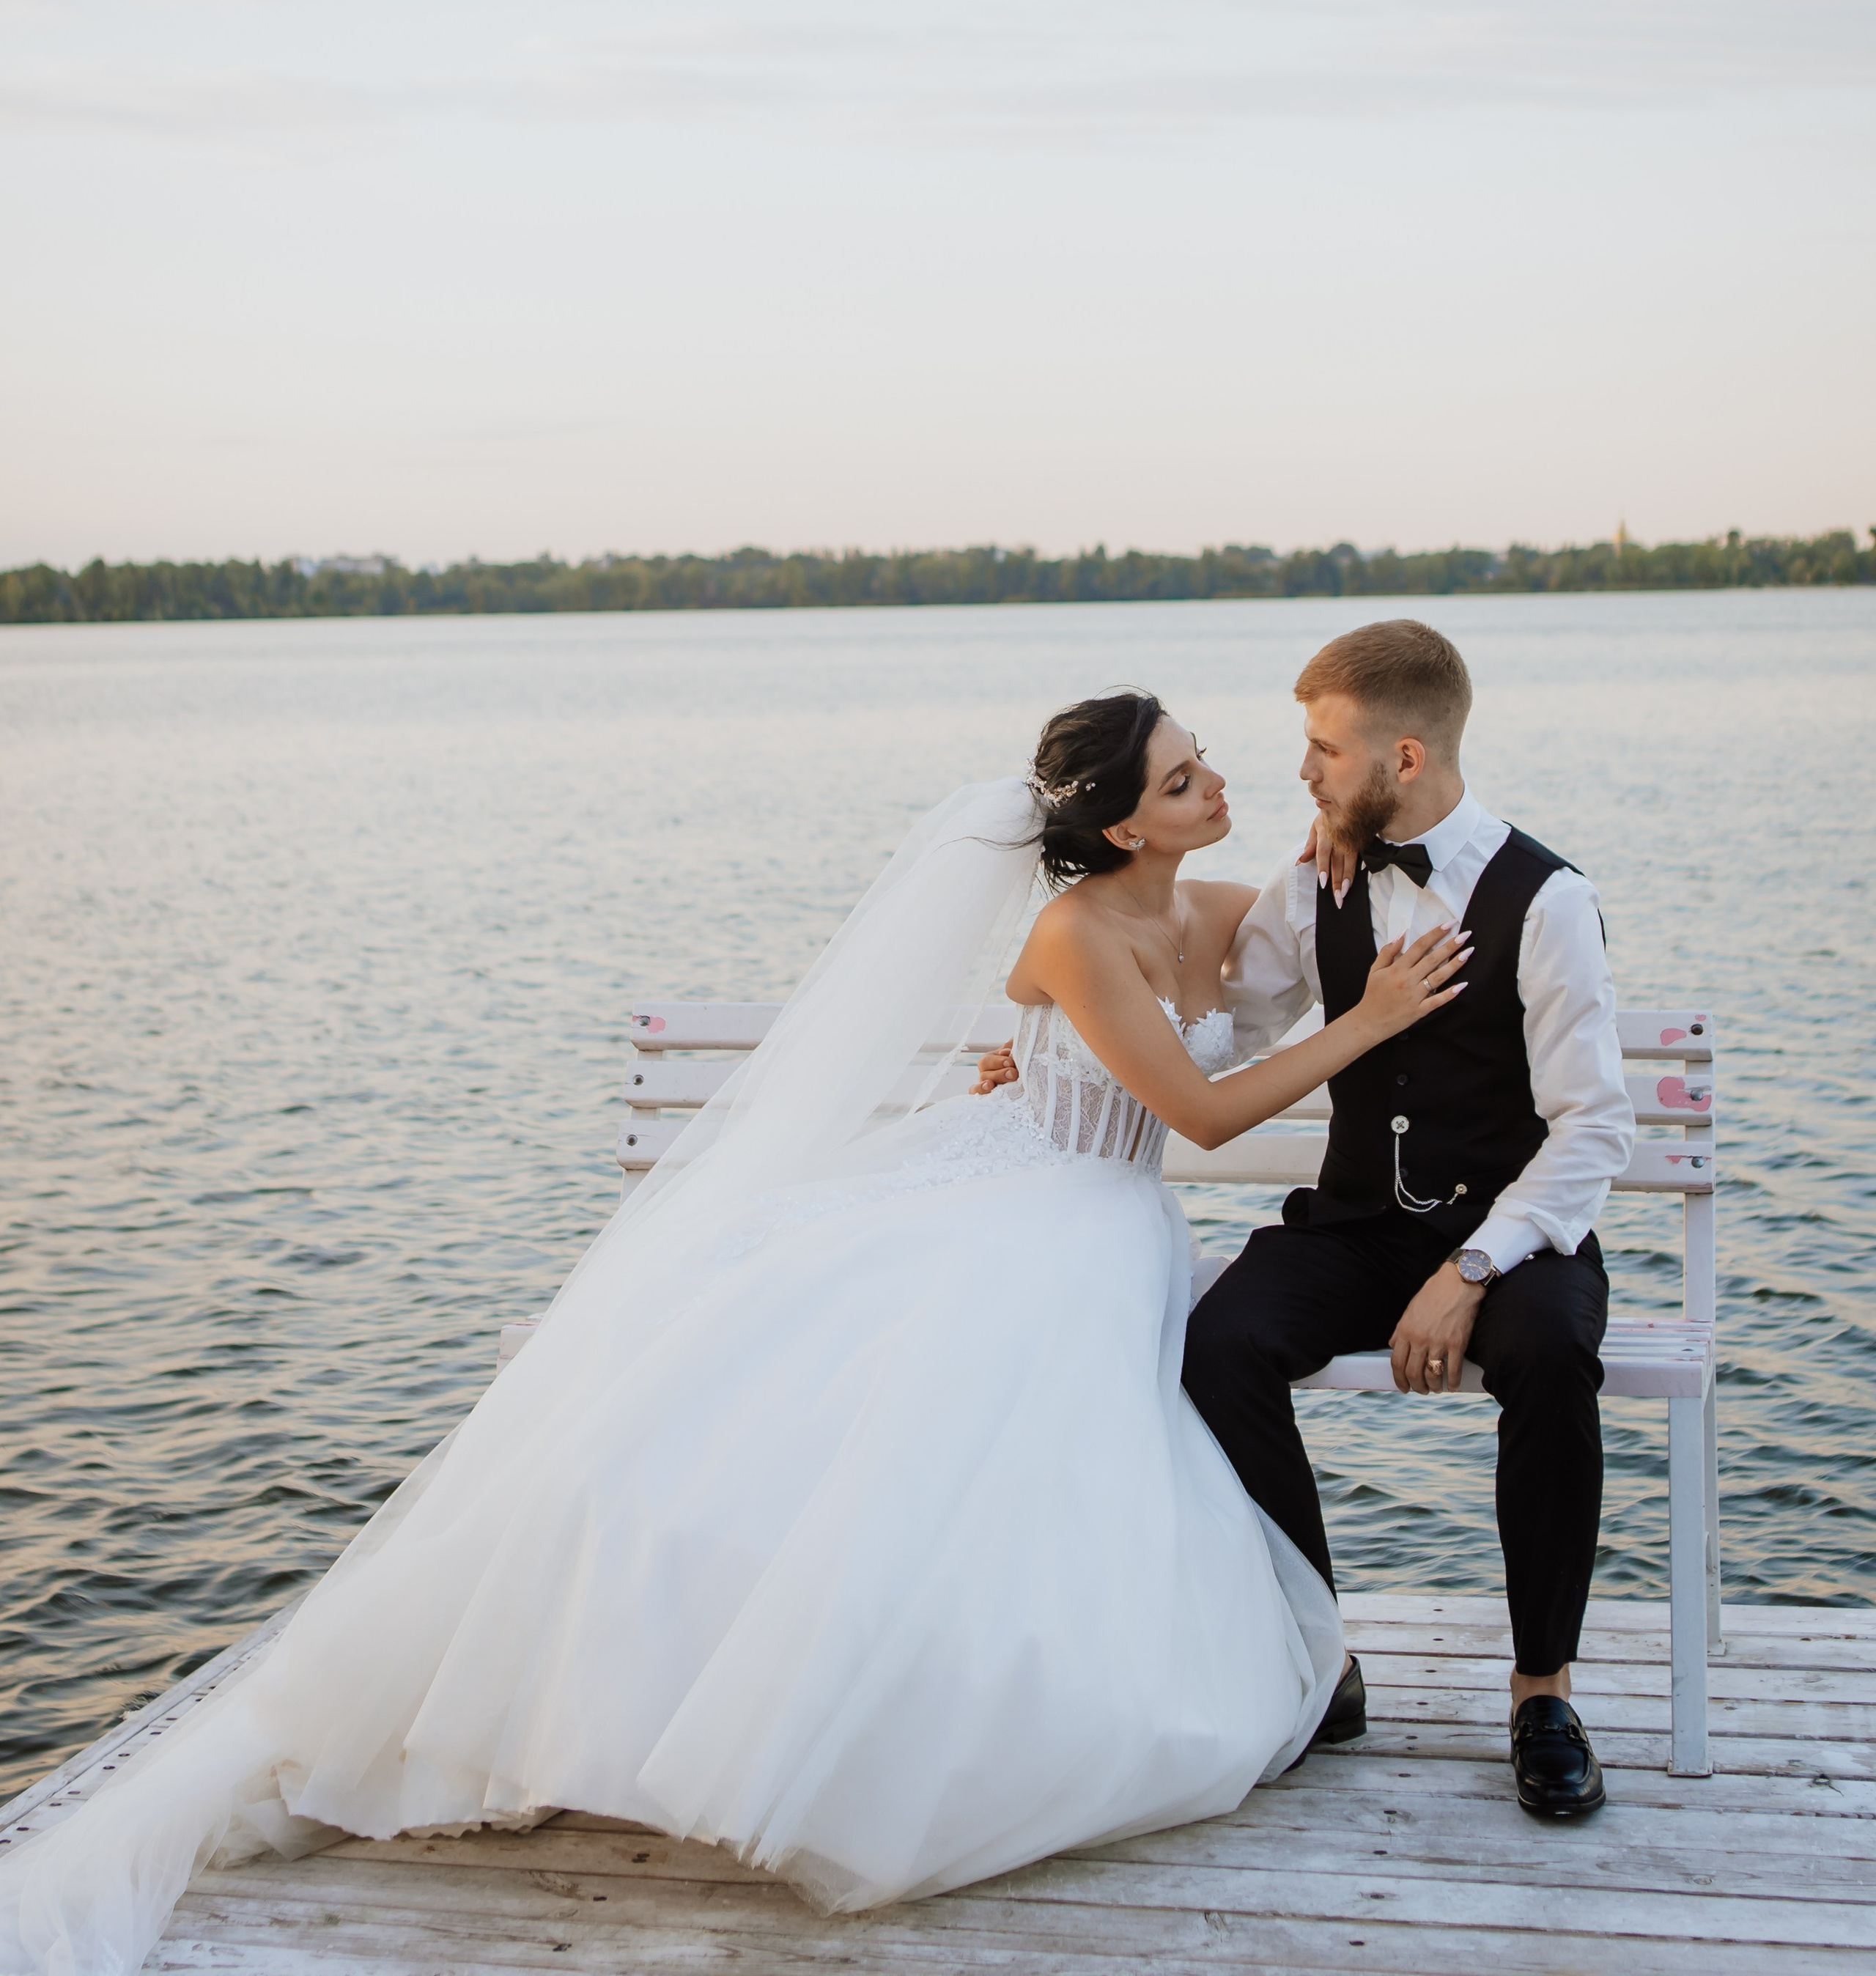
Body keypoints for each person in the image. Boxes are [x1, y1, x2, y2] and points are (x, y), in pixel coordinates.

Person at [0, 699, 1465, 1976]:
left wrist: (1376, 895)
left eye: (1204, 763)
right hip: (1045, 1202)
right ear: (1123, 827)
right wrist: (1366, 1023)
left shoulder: (1209, 908)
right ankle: (686, 1697)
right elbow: (1199, 1115)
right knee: (843, 1396)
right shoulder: (1073, 932)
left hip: (1096, 1210)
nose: (1215, 784)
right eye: (1181, 779)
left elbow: (1311, 936)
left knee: (1011, 1443)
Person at [1181, 620, 1632, 1821]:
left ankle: (1543, 1695)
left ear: (1407, 758)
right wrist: (1071, 1054)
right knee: (1217, 1345)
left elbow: (1593, 1127)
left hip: (1510, 1232)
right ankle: (1318, 1655)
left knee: (1552, 1354)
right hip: (1355, 1225)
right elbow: (1232, 1029)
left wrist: (1472, 1268)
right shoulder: (1315, 876)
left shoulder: (1547, 899)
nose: (1305, 772)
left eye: (1327, 750)